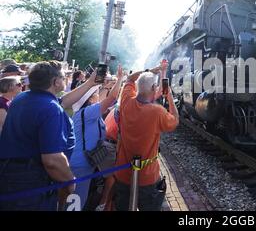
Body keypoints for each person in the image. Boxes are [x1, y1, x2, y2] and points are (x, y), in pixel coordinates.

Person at [0, 61, 101, 211]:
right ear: (56, 82)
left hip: (12, 179)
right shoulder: (50, 108)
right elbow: (52, 160)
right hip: (33, 187)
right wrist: (69, 182)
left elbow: (63, 101)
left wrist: (90, 83)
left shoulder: (23, 98)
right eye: (63, 77)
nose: (65, 79)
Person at [113, 62, 178, 211]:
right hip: (147, 178)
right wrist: (170, 97)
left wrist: (154, 71)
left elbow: (129, 78)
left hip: (122, 174)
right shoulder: (157, 112)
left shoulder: (126, 100)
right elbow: (175, 120)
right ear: (154, 89)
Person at [68, 66, 124, 210]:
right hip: (80, 164)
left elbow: (107, 98)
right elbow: (111, 99)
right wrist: (120, 79)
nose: (99, 95)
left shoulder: (86, 111)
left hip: (84, 162)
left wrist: (105, 86)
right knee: (75, 202)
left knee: (79, 199)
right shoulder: (88, 112)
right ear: (91, 98)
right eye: (96, 93)